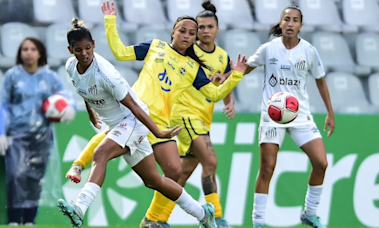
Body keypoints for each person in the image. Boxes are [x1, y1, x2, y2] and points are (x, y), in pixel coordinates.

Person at [63, 1, 247, 227]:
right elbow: (120, 53)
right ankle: (79, 186)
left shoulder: (193, 68)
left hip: (156, 122)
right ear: (173, 31)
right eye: (183, 31)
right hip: (134, 116)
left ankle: (195, 214)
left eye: (192, 33)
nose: (187, 36)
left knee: (171, 173)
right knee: (105, 151)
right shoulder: (155, 47)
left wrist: (236, 75)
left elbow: (215, 94)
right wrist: (110, 21)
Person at [242, 6, 335, 228]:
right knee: (267, 167)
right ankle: (258, 222)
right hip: (272, 115)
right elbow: (246, 67)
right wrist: (226, 75)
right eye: (287, 19)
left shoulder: (309, 51)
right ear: (281, 23)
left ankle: (310, 213)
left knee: (321, 163)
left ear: (301, 25)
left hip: (300, 114)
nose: (290, 24)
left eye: (295, 20)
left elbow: (320, 80)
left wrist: (330, 112)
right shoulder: (268, 49)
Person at [155, 2, 234, 228]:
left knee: (182, 173)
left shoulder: (222, 57)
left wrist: (230, 101)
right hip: (186, 115)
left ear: (217, 28)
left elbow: (225, 82)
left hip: (202, 119)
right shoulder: (189, 51)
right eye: (201, 27)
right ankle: (216, 218)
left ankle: (157, 219)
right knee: (210, 160)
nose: (205, 31)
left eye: (210, 27)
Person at [0, 37, 76, 225]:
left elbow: (65, 97)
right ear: (20, 53)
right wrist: (0, 133)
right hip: (16, 135)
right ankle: (14, 219)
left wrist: (69, 108)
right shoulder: (12, 76)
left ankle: (30, 219)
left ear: (40, 53)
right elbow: (4, 105)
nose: (28, 52)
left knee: (34, 178)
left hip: (41, 137)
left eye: (32, 49)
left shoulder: (50, 77)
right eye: (24, 49)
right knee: (15, 176)